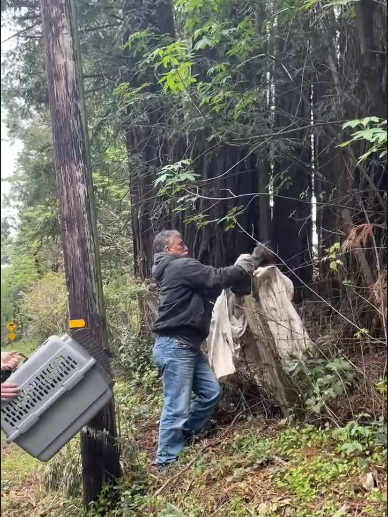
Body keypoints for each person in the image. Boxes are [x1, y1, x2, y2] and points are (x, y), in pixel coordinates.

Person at [151, 230, 271, 468]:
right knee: (176, 406)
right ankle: (165, 462)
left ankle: (184, 436)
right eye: (180, 244)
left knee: (211, 392)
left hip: (185, 347)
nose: (185, 247)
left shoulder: (175, 270)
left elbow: (213, 286)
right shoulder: (180, 266)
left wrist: (237, 278)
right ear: (168, 250)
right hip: (176, 346)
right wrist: (252, 260)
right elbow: (216, 277)